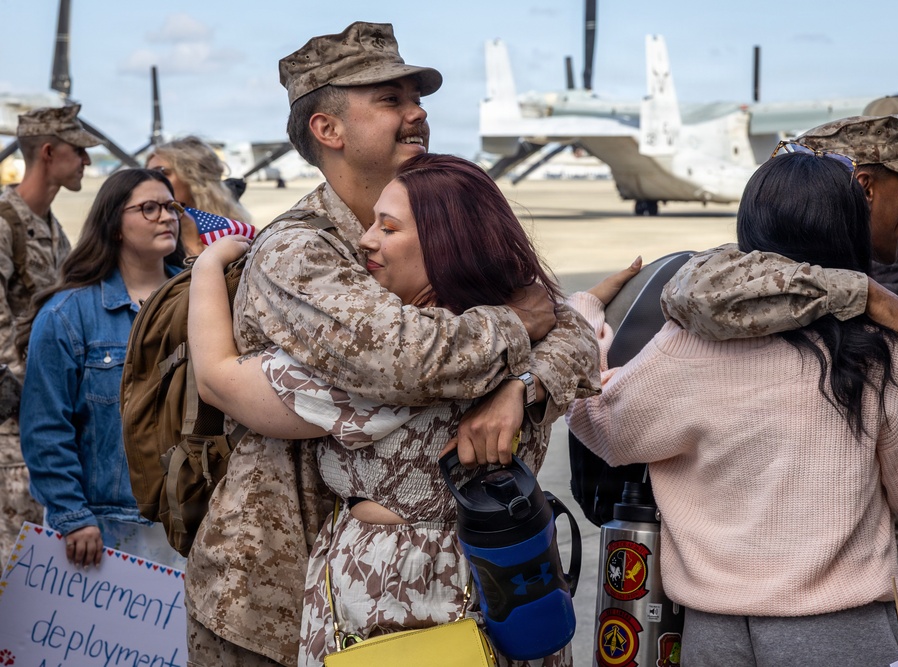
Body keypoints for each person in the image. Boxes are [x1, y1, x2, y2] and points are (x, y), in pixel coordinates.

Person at [182, 23, 598, 667]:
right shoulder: (300, 249)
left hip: (457, 577)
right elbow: (401, 359)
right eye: (392, 100)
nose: (418, 113)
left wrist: (522, 385)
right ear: (328, 129)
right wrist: (518, 325)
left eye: (416, 98)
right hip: (276, 580)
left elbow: (567, 326)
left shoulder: (436, 220)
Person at [567, 150, 898, 664]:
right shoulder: (885, 346)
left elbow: (598, 418)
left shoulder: (687, 342)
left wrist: (584, 315)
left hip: (714, 635)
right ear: (849, 232)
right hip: (841, 632)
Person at [661, 115, 898, 665]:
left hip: (741, 613)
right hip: (833, 617)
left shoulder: (854, 294)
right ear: (864, 188)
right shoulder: (751, 293)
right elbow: (694, 286)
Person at [17, 168, 187, 570]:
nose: (166, 217)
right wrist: (73, 518)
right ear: (114, 225)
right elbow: (45, 427)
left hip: (191, 524)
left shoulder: (204, 299)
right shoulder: (66, 315)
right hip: (102, 528)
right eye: (149, 208)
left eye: (171, 206)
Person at [0, 103, 100, 563]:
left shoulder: (53, 229)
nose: (87, 162)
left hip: (45, 410)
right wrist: (36, 383)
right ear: (47, 152)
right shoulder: (5, 222)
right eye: (78, 151)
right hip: (14, 417)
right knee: (13, 555)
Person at [146, 136, 251, 257]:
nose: (150, 182)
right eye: (147, 175)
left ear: (193, 176)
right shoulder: (153, 244)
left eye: (160, 172)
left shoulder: (239, 234)